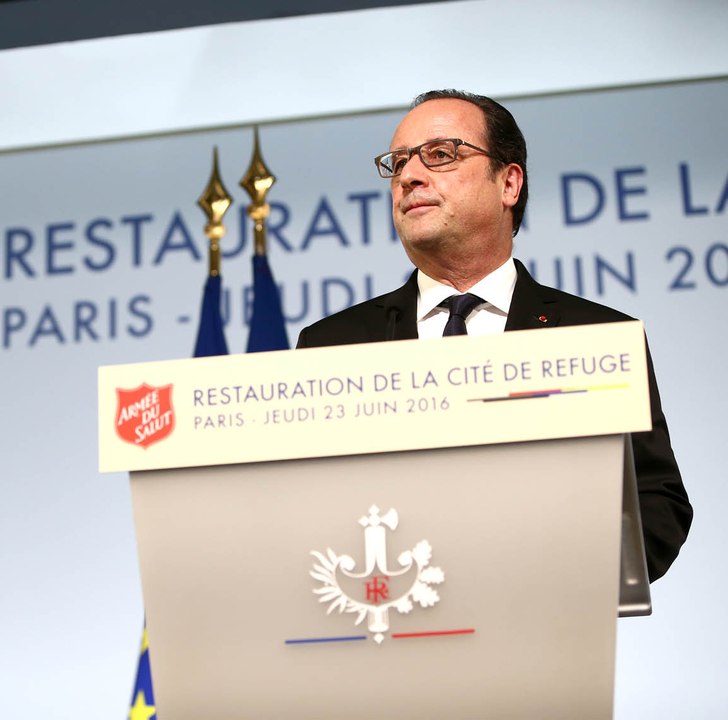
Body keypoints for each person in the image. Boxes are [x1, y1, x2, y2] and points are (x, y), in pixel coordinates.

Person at [296, 90, 691, 582]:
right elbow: (306, 514)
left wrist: (554, 577)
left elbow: (657, 504)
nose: (410, 177)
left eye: (440, 155)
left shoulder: (596, 336)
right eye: (398, 164)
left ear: (509, 182)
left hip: (543, 635)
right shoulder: (333, 345)